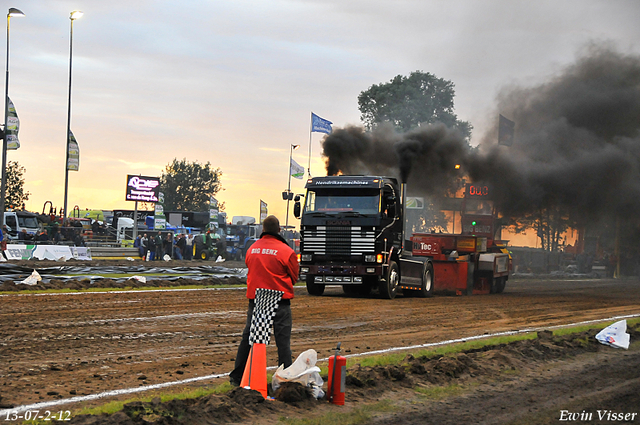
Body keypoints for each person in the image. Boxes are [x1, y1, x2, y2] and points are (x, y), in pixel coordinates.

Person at [229, 215, 299, 386]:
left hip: (257, 301)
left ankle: (237, 376)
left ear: (263, 230)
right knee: (283, 342)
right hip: (280, 301)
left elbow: (249, 267)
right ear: (279, 230)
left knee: (249, 338)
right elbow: (295, 277)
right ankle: (285, 379)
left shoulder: (252, 249)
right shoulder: (286, 251)